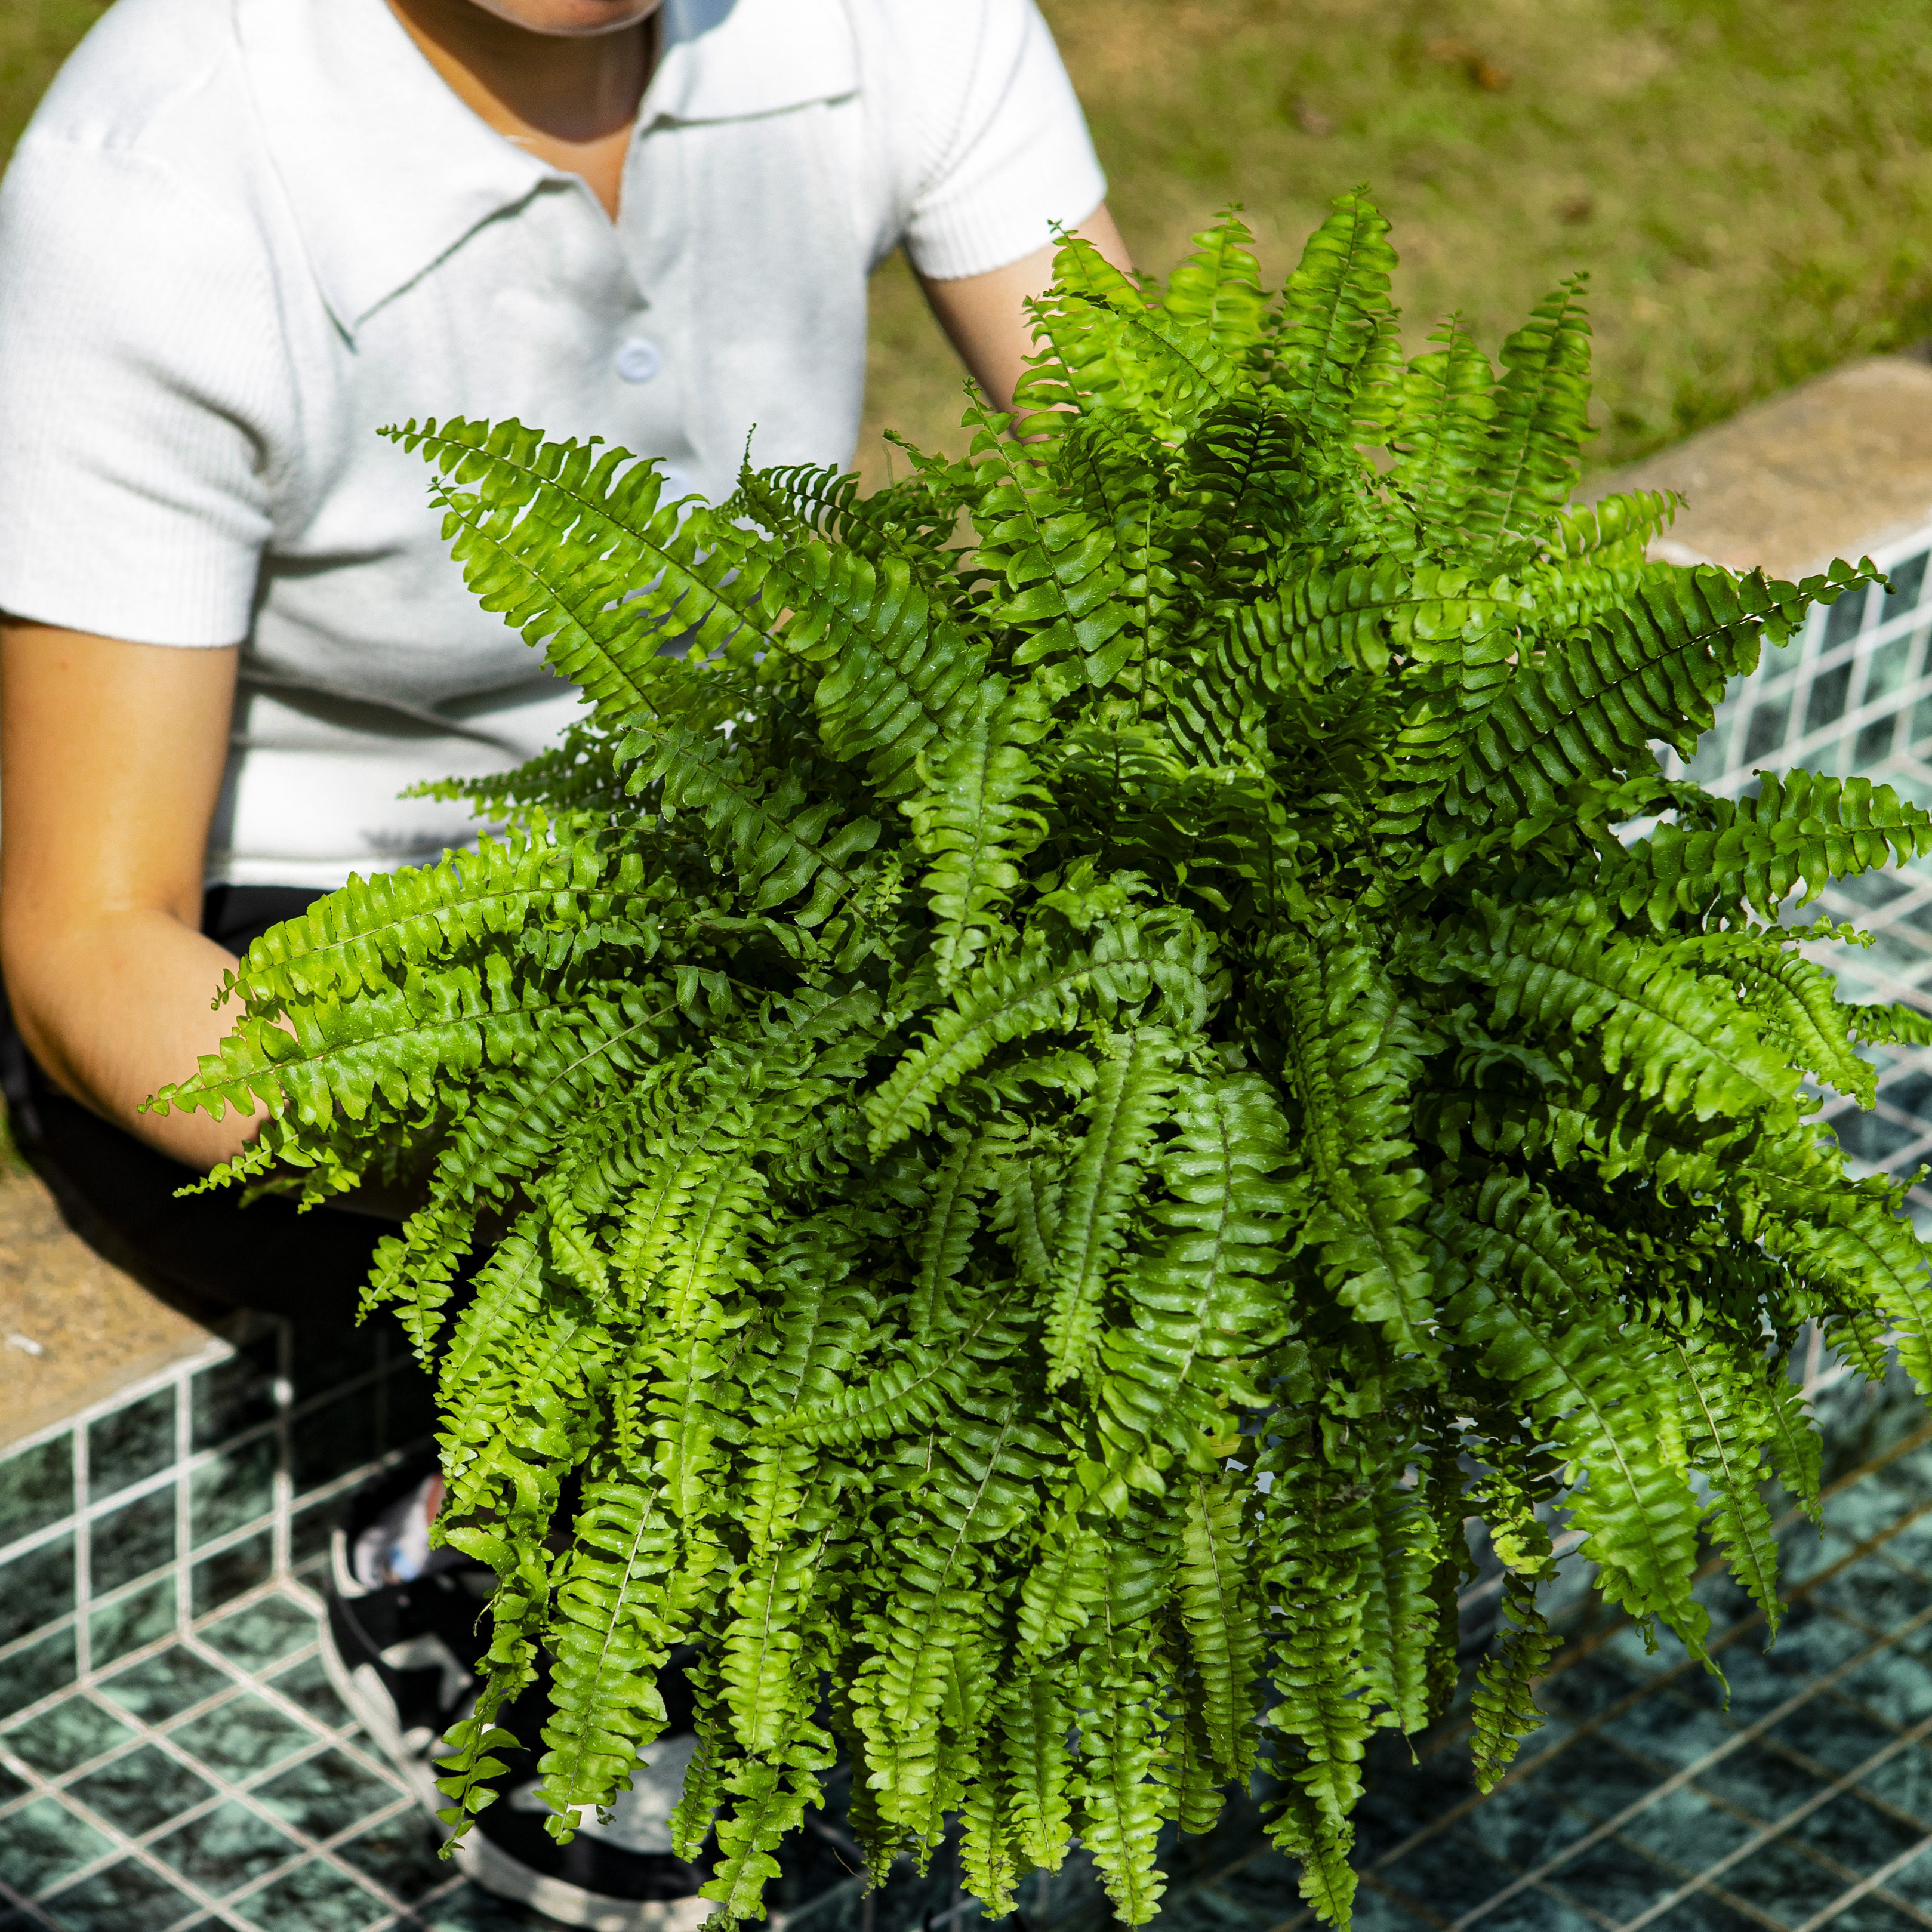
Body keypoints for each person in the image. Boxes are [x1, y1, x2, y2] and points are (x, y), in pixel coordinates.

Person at [0, 0, 1127, 1922]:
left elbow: (1198, 524)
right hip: (335, 947)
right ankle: (478, 1543)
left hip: (767, 844)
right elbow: (84, 940)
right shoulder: (167, 173)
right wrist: (592, 1179)